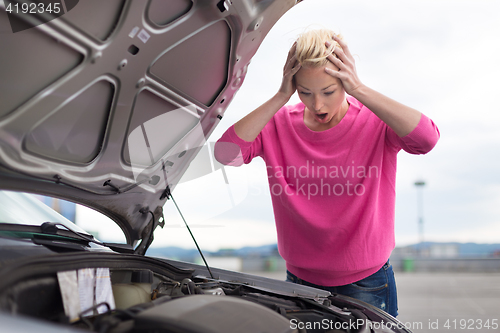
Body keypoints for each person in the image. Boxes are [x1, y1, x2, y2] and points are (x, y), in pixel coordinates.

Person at [214, 28, 440, 317]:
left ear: (345, 81)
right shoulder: (277, 124)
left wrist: (360, 89)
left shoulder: (376, 122)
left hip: (366, 284)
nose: (317, 104)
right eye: (305, 92)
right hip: (299, 283)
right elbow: (225, 154)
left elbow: (426, 140)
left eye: (328, 91)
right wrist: (280, 96)